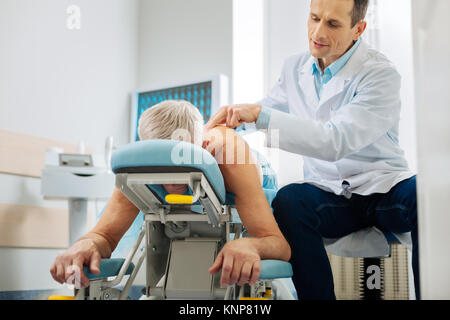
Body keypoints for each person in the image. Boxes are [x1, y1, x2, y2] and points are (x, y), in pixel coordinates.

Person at [205, 0, 419, 300]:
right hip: (331, 194)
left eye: (332, 24)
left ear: (358, 29)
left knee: (424, 197)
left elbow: (335, 140)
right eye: (314, 18)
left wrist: (258, 115)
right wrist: (226, 125)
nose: (317, 31)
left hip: (382, 187)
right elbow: (268, 111)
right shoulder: (295, 68)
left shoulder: (380, 74)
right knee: (290, 200)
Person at [50, 100, 290, 289]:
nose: (173, 182)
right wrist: (85, 244)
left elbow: (278, 244)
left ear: (203, 147)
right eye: (164, 169)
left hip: (251, 177)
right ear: (150, 154)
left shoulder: (232, 159)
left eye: (180, 167)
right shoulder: (142, 166)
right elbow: (105, 236)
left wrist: (251, 245)